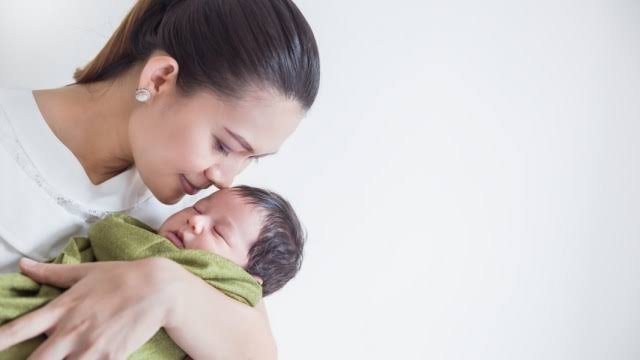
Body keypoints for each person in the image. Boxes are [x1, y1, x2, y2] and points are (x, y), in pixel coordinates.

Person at [0, 0, 320, 358]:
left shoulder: (189, 222)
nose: (225, 180)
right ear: (159, 79)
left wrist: (168, 289)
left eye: (251, 159)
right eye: (224, 145)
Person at [0, 185, 305, 358]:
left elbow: (111, 236)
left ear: (249, 279)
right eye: (199, 209)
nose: (195, 222)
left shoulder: (226, 292)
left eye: (220, 233)